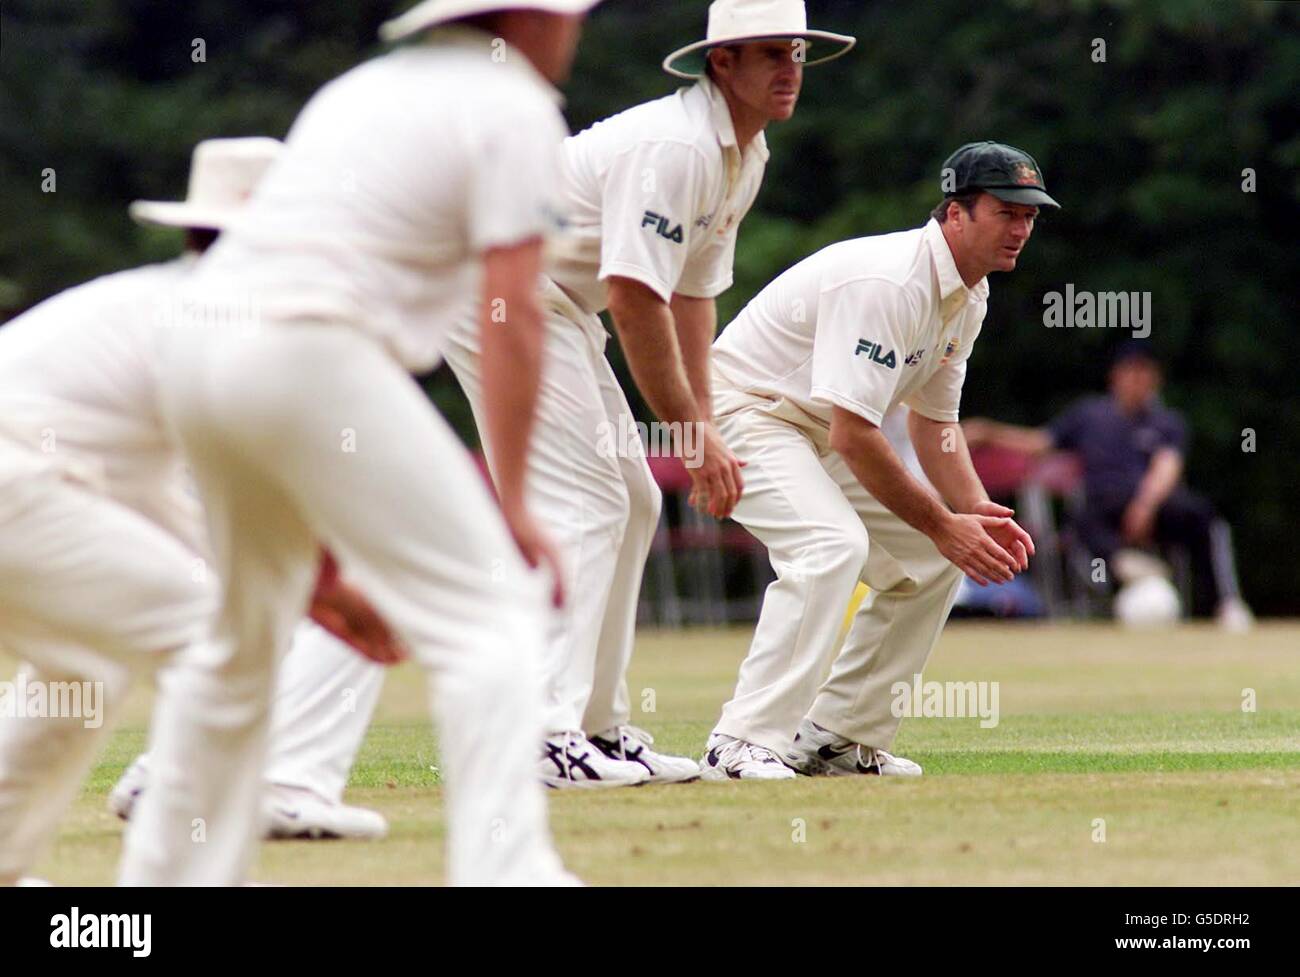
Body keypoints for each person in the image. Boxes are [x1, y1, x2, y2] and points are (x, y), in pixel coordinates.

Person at [117, 0, 599, 886]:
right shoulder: (515, 104)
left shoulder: (361, 88)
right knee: (493, 610)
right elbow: (512, 309)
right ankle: (509, 872)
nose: (579, 28)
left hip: (193, 347)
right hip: (304, 350)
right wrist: (517, 503)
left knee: (241, 639)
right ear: (528, 19)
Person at [440, 0, 856, 788]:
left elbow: (692, 299)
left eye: (796, 52)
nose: (790, 69)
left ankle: (597, 725)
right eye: (770, 53)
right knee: (591, 499)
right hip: (498, 292)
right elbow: (635, 298)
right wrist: (693, 434)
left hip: (558, 303)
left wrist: (700, 426)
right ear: (721, 63)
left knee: (631, 498)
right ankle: (541, 732)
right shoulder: (678, 146)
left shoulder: (744, 155)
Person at [0, 137, 393, 884]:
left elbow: (164, 507)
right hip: (14, 487)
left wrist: (317, 588)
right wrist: (331, 585)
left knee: (82, 669)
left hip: (25, 489)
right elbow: (242, 490)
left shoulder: (163, 301)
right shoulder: (220, 315)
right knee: (216, 641)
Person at [700, 141, 1053, 780]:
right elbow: (856, 436)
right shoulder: (891, 281)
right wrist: (944, 524)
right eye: (1006, 211)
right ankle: (741, 741)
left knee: (930, 563)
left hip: (812, 426)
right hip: (741, 410)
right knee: (830, 545)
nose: (1021, 228)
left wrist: (972, 510)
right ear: (955, 213)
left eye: (1030, 216)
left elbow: (934, 424)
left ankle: (836, 738)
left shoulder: (969, 297)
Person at [963, 342, 1253, 629]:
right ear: (1116, 375)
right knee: (1081, 520)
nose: (1138, 380)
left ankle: (1225, 603)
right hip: (1104, 509)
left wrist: (1145, 505)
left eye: (1145, 372)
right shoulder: (1088, 415)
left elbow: (1168, 466)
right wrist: (989, 433)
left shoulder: (1167, 423)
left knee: (1203, 516)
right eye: (1131, 371)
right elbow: (1039, 443)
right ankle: (1126, 568)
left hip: (1153, 505)